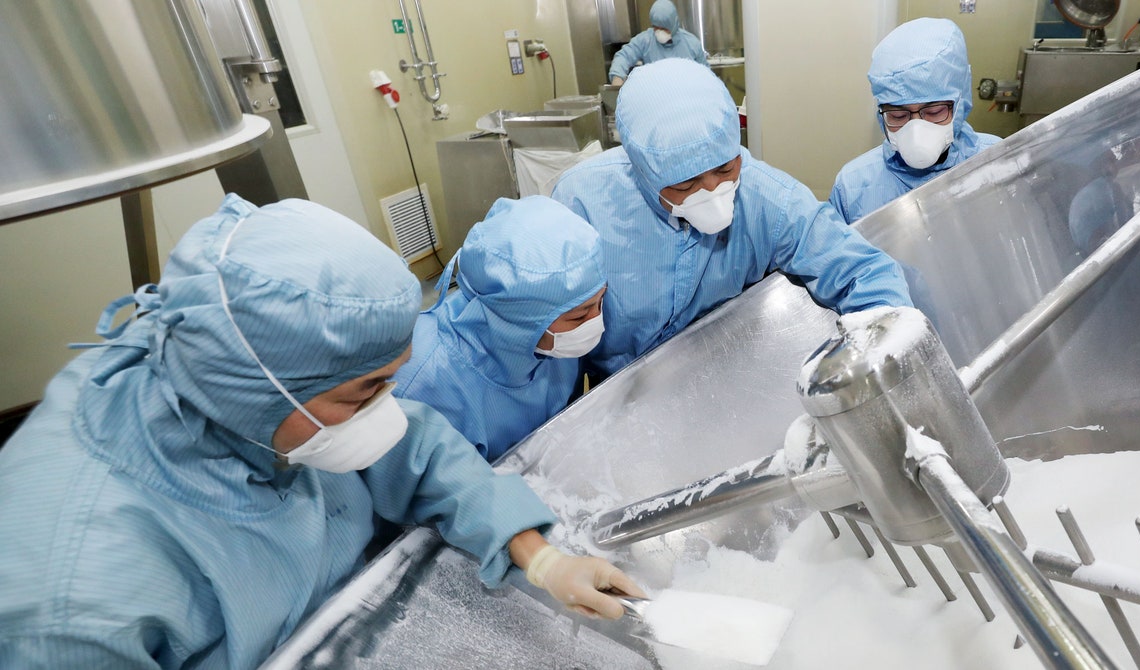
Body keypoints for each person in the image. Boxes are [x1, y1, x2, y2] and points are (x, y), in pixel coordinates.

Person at [0, 195, 643, 668]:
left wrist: (541, 557)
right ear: (262, 393)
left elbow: (417, 449)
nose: (389, 406)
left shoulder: (259, 384)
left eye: (389, 381)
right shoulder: (71, 605)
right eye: (366, 391)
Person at [552, 58, 913, 378]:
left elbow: (861, 270)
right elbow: (553, 334)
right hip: (616, 388)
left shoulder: (764, 197)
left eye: (725, 169)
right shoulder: (584, 203)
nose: (712, 191)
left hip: (717, 372)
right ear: (643, 173)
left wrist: (890, 347)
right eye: (686, 184)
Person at [393, 196, 606, 463]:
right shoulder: (423, 386)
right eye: (580, 315)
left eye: (601, 301)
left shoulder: (554, 341)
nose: (596, 320)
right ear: (519, 321)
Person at [829, 18, 1002, 224]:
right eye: (898, 116)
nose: (916, 131)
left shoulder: (999, 161)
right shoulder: (853, 185)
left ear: (960, 101)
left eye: (934, 112)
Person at [609, 0, 707, 86]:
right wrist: (617, 77)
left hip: (685, 94)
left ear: (674, 24)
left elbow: (706, 75)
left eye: (664, 28)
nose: (659, 32)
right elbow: (624, 56)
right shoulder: (646, 40)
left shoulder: (691, 44)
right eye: (656, 27)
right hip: (655, 95)